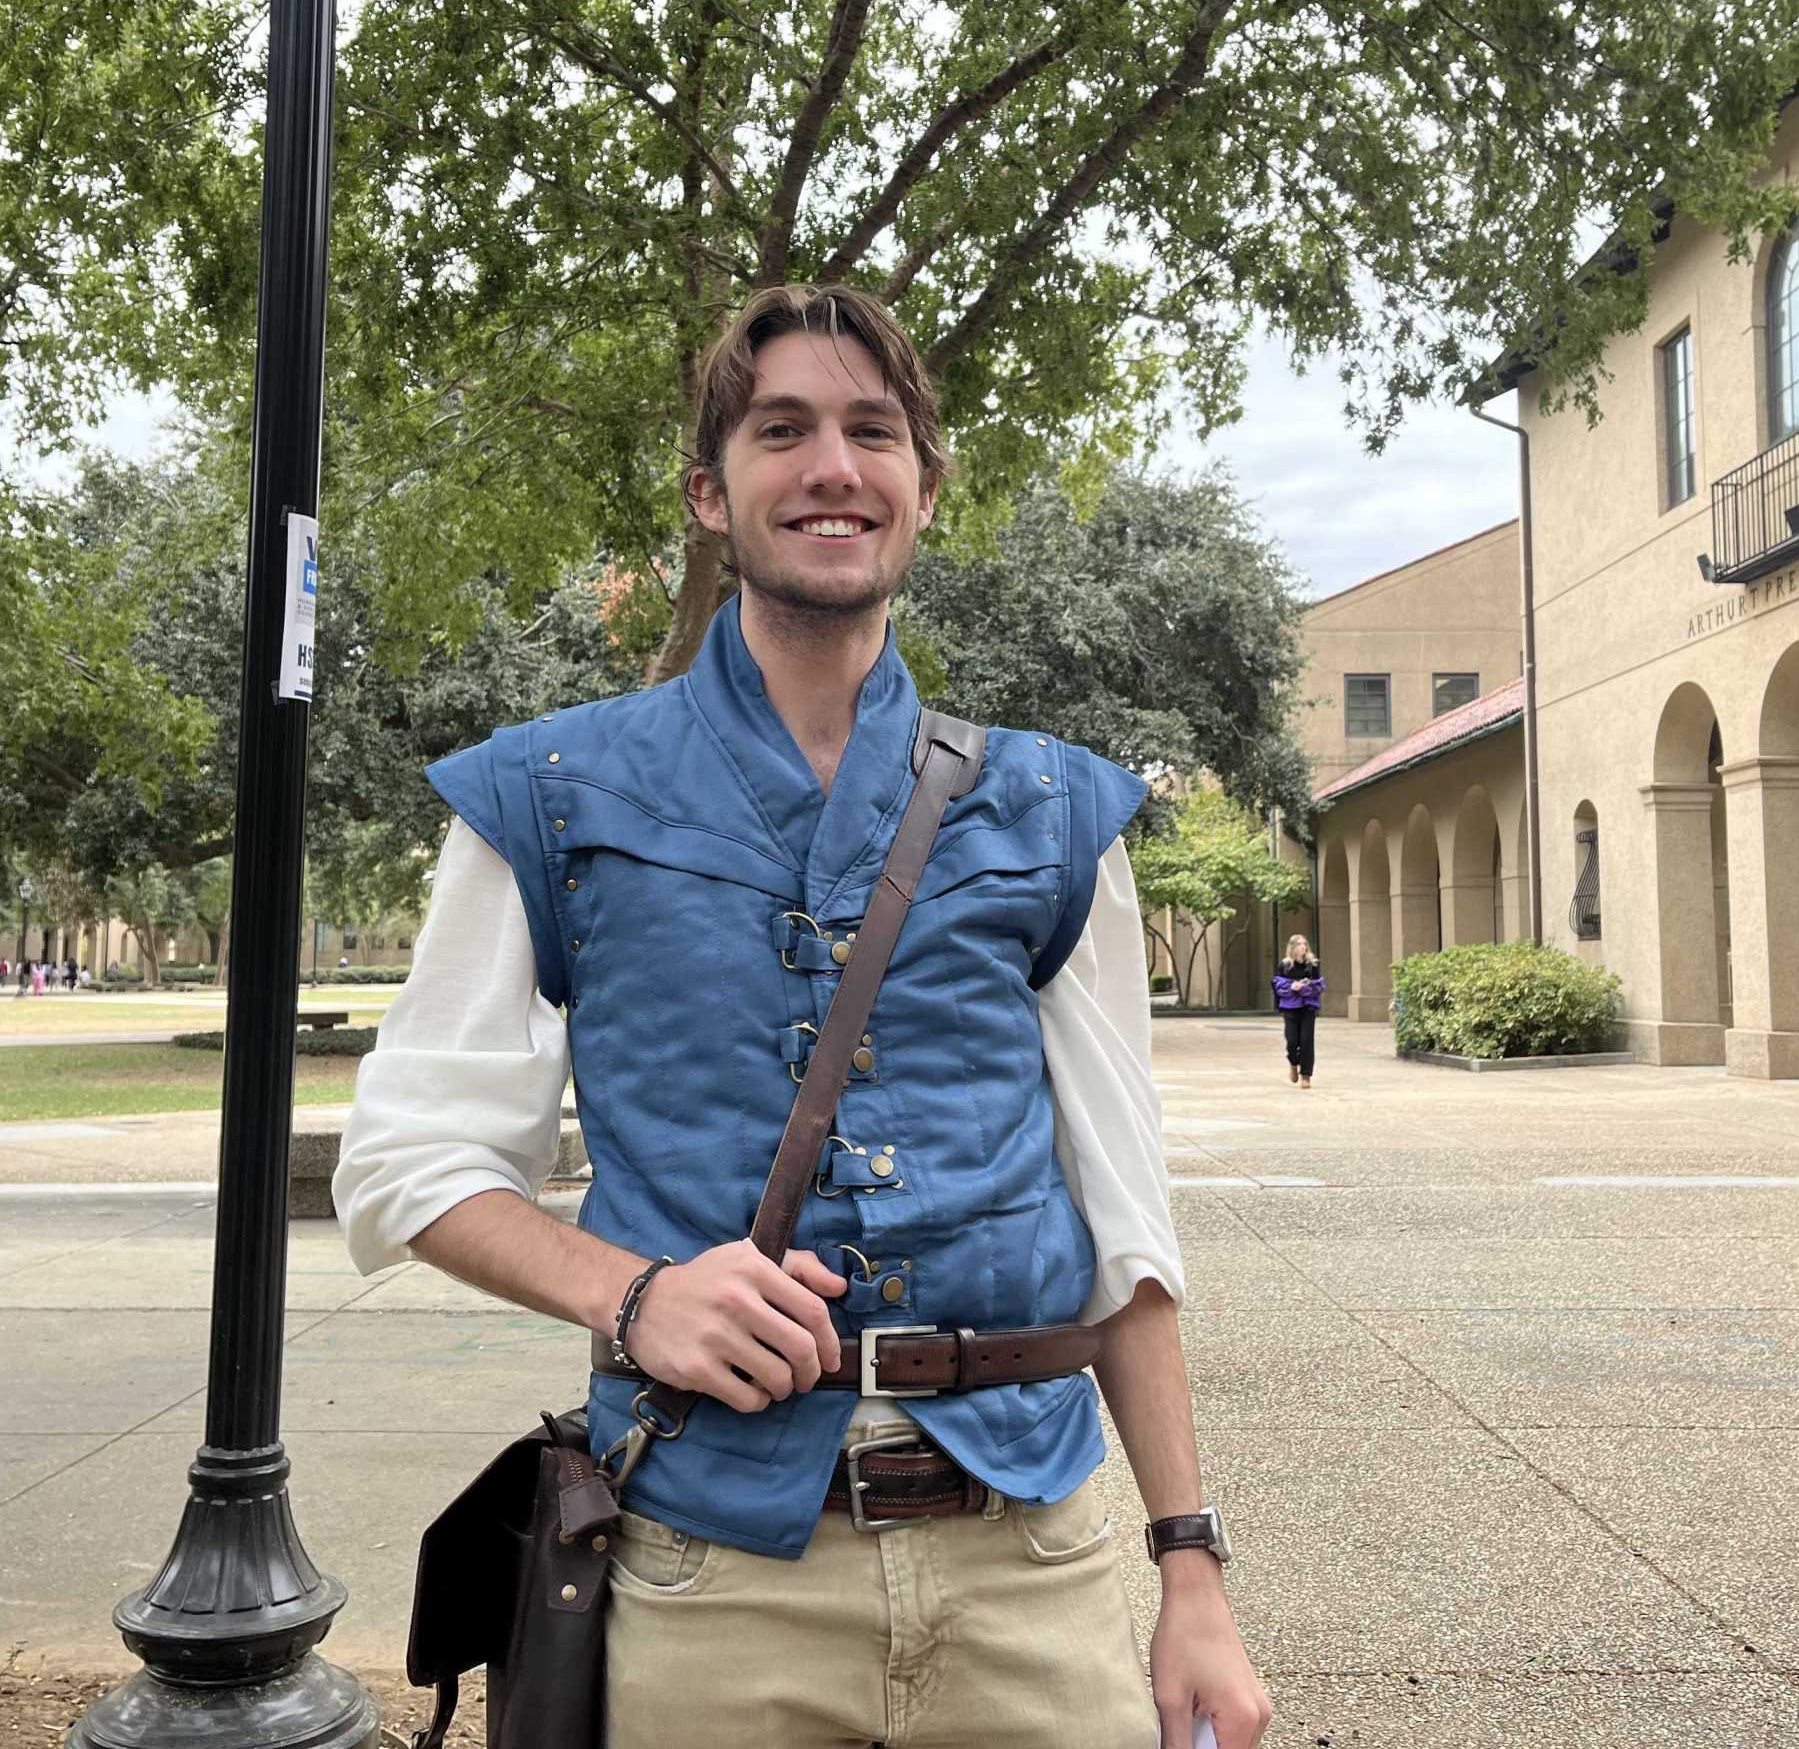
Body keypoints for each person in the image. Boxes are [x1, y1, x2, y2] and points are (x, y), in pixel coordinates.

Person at [336, 286, 1270, 1749]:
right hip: (714, 1585)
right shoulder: (551, 795)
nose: (832, 466)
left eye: (872, 431)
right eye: (784, 431)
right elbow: (406, 1166)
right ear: (712, 494)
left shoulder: (1055, 811)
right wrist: (633, 1297)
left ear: (923, 488)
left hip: (1032, 1569)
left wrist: (1190, 1571)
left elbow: (1125, 1226)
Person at [1271, 934, 1324, 1089]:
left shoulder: (1312, 965)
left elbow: (1318, 986)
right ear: (1293, 947)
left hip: (1307, 1007)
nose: (1303, 947)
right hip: (1290, 1009)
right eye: (1300, 944)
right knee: (1292, 1041)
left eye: (1305, 944)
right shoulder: (1285, 965)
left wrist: (1305, 986)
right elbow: (1277, 985)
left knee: (1307, 1041)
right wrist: (1291, 987)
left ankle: (1306, 1075)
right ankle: (1293, 1063)